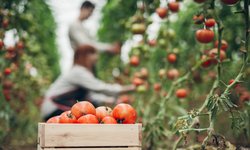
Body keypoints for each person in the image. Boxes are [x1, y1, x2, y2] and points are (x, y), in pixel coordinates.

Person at [41, 45, 135, 121]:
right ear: (85, 56)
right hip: (54, 108)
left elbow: (91, 97)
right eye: (93, 53)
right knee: (89, 116)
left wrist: (113, 101)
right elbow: (100, 87)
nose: (96, 57)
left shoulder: (80, 72)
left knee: (90, 113)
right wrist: (128, 88)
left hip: (57, 107)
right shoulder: (78, 72)